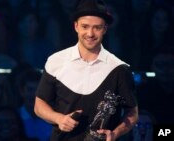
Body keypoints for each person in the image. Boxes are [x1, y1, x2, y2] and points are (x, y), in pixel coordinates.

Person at [34, 0, 138, 141]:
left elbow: (132, 112)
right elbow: (39, 105)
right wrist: (59, 118)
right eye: (85, 26)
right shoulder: (56, 61)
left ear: (105, 29)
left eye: (97, 28)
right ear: (76, 26)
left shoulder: (119, 68)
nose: (90, 33)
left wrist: (115, 133)